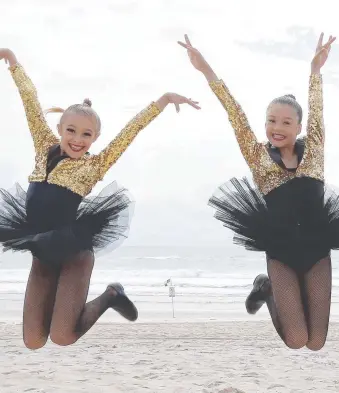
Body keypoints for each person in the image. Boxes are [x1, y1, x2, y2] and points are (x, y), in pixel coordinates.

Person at [178, 33, 339, 350]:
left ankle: (279, 292)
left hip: (317, 248)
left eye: (286, 122)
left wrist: (315, 73)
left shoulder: (313, 152)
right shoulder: (259, 157)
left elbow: (317, 112)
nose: (277, 127)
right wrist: (206, 71)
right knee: (297, 339)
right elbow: (235, 114)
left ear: (299, 128)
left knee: (316, 343)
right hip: (281, 250)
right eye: (271, 120)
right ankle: (267, 288)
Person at [0, 47, 200, 349]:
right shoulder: (44, 146)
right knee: (33, 341)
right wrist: (12, 59)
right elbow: (30, 100)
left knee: (63, 336)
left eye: (86, 135)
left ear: (95, 138)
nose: (77, 140)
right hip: (42, 253)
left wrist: (163, 100)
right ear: (59, 129)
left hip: (73, 254)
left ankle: (111, 295)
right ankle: (63, 303)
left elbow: (130, 131)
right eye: (71, 131)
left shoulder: (95, 164)